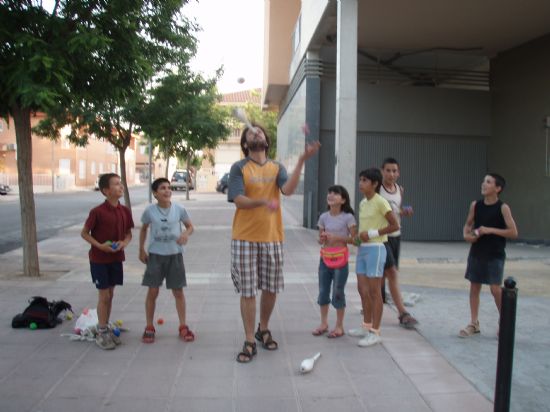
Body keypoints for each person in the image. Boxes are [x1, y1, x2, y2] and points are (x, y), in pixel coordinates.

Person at [228, 123, 320, 363]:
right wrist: (262, 202)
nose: (255, 132)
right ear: (246, 143)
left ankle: (263, 328)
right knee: (248, 291)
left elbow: (288, 190)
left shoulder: (276, 166)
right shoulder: (239, 167)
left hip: (272, 236)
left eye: (258, 131)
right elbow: (238, 199)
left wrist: (301, 161)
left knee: (270, 288)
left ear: (266, 141)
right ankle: (249, 339)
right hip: (244, 237)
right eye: (250, 132)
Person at [459, 173, 518, 337]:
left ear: (497, 188)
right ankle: (474, 322)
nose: (484, 184)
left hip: (495, 254)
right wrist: (466, 235)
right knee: (474, 286)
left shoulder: (503, 207)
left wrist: (489, 230)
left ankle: (504, 321)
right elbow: (468, 224)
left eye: (489, 182)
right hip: (477, 252)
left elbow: (513, 232)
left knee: (495, 289)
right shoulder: (475, 205)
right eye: (484, 181)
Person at [81, 173, 134, 350]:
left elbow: (128, 234)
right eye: (116, 184)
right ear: (106, 190)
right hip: (99, 259)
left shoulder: (125, 211)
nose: (121, 187)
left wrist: (123, 243)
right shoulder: (97, 212)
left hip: (116, 258)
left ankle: (105, 325)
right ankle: (101, 331)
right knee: (103, 295)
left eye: (121, 184)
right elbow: (84, 233)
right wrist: (100, 246)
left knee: (110, 294)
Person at [139, 178, 195, 343]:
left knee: (178, 291)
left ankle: (183, 326)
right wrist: (141, 249)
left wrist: (185, 234)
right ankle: (149, 326)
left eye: (169, 188)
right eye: (162, 188)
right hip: (155, 256)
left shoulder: (179, 209)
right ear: (155, 193)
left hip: (175, 255)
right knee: (153, 291)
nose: (167, 190)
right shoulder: (150, 211)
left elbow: (190, 226)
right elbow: (143, 229)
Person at [348, 168, 399, 347]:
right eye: (360, 180)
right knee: (362, 290)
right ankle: (366, 325)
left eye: (364, 180)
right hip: (362, 250)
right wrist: (356, 238)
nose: (360, 183)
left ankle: (375, 332)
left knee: (374, 291)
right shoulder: (363, 203)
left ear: (375, 184)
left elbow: (394, 225)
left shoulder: (381, 202)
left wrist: (372, 233)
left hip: (377, 249)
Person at [313, 185, 357, 338]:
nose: (330, 195)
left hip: (341, 260)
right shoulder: (323, 217)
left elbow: (355, 240)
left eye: (335, 194)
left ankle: (339, 326)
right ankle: (324, 323)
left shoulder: (348, 218)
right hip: (325, 258)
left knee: (338, 291)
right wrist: (322, 238)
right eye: (329, 192)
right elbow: (320, 239)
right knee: (323, 290)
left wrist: (337, 238)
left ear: (343, 199)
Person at [379, 157, 418, 328]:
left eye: (394, 171)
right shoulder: (376, 188)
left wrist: (404, 212)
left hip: (396, 235)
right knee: (391, 272)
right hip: (381, 237)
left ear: (399, 173)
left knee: (384, 273)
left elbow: (395, 210)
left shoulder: (399, 190)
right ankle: (402, 313)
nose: (391, 174)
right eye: (388, 170)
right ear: (382, 172)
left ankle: (376, 302)